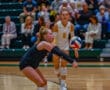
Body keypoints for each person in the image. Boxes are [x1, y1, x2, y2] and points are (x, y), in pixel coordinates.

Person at [53, 9, 75, 90]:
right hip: (56, 47)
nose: (64, 16)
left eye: (66, 15)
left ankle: (63, 84)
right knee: (56, 66)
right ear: (60, 16)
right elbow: (54, 39)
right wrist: (55, 48)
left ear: (69, 16)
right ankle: (59, 78)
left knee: (63, 65)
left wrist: (75, 50)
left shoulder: (71, 25)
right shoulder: (56, 25)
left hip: (65, 47)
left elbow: (73, 39)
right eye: (63, 15)